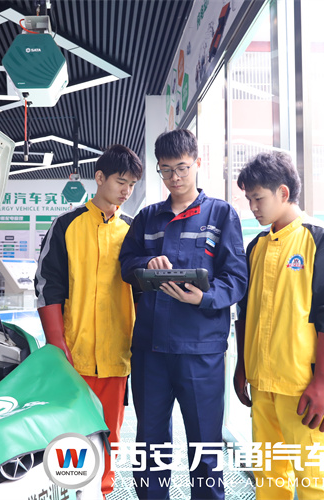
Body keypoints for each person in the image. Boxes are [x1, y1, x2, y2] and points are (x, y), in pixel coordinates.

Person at [119, 129, 247, 499]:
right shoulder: (147, 218)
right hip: (151, 350)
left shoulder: (221, 215)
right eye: (166, 170)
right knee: (150, 444)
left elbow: (236, 278)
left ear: (197, 163)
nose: (174, 177)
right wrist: (146, 263)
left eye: (182, 168)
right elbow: (126, 264)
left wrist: (203, 298)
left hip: (200, 350)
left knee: (205, 445)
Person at [233, 151, 324, 499]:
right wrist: (243, 366)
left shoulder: (321, 238)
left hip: (306, 391)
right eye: (248, 199)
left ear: (283, 193)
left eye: (258, 198)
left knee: (315, 483)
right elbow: (245, 312)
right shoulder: (256, 247)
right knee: (269, 479)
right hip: (263, 388)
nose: (252, 207)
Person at [34, 144, 143, 498]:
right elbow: (47, 285)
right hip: (74, 354)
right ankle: (72, 490)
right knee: (70, 433)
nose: (126, 191)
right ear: (99, 178)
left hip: (116, 357)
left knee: (110, 432)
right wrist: (57, 344)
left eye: (132, 185)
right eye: (121, 182)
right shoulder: (67, 225)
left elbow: (141, 293)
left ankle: (104, 491)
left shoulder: (133, 231)